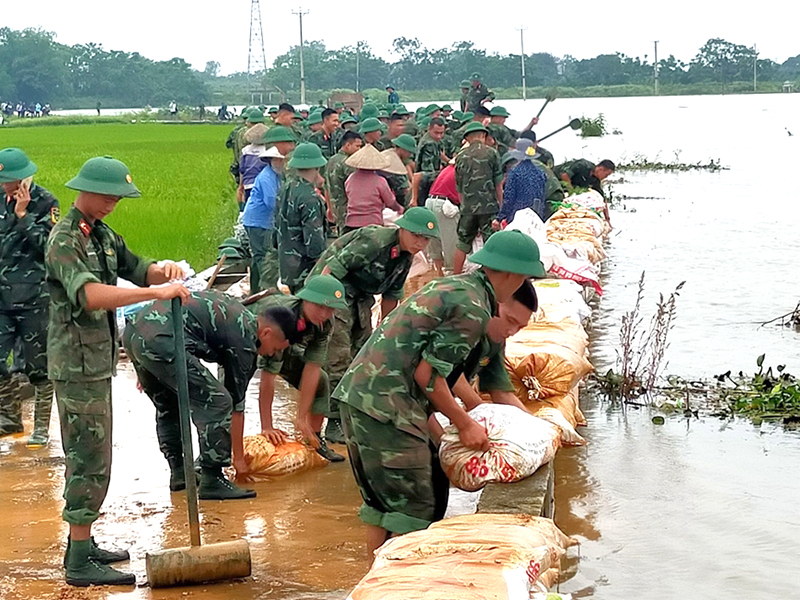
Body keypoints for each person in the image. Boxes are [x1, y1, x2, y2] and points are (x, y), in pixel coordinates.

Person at [333, 230, 545, 555]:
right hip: (388, 407)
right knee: (416, 508)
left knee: (383, 504)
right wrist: (465, 424)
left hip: (363, 398)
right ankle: (401, 587)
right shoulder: (474, 308)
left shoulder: (460, 289)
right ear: (513, 275)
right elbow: (428, 376)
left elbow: (431, 374)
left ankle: (376, 582)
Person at [46, 156, 191, 587]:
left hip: (95, 361)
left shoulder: (102, 234)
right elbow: (90, 295)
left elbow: (134, 264)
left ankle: (85, 543)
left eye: (118, 198)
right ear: (86, 190)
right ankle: (78, 560)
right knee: (88, 458)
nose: (113, 204)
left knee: (98, 454)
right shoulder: (64, 239)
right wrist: (153, 291)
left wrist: (160, 269)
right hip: (75, 363)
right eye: (108, 196)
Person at [123, 291, 295, 499]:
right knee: (218, 402)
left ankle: (179, 473)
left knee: (169, 405)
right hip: (163, 339)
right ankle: (212, 478)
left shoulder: (236, 313)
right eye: (275, 348)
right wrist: (238, 460)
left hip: (134, 332)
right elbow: (234, 406)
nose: (271, 354)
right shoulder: (245, 341)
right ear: (266, 333)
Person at [308, 207, 440, 443]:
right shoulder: (375, 241)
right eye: (416, 235)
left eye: (426, 239)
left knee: (364, 351)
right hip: (331, 291)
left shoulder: (405, 257)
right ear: (402, 229)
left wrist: (386, 332)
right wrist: (324, 306)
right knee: (339, 353)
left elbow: (391, 296)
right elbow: (331, 271)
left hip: (359, 295)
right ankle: (334, 420)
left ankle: (356, 411)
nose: (420, 243)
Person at [248, 275, 348, 462]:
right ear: (305, 299)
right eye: (320, 306)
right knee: (229, 397)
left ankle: (315, 441)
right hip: (244, 343)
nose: (324, 314)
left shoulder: (324, 324)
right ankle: (211, 459)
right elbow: (268, 375)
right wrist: (267, 427)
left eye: (330, 309)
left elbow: (313, 367)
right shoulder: (283, 317)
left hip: (280, 345)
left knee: (321, 380)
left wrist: (301, 418)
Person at [0, 149, 59, 446]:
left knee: (39, 367)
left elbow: (50, 247)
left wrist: (23, 215)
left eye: (8, 181)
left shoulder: (46, 202)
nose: (5, 186)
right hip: (2, 298)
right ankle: (10, 419)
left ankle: (40, 428)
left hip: (35, 297)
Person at [276, 143, 328, 293]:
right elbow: (314, 241)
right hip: (305, 268)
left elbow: (277, 225)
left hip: (287, 263)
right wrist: (321, 265)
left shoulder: (286, 188)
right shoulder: (310, 198)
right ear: (317, 167)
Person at [453, 122, 503, 274]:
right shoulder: (492, 153)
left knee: (462, 244)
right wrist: (501, 207)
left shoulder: (460, 157)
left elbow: (459, 189)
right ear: (483, 136)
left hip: (468, 207)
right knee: (491, 244)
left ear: (467, 138)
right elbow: (498, 185)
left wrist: (464, 206)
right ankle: (492, 275)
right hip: (488, 207)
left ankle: (455, 276)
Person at [242, 146, 285, 294]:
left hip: (261, 221)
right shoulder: (267, 177)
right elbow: (271, 201)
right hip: (258, 222)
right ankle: (266, 290)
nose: (282, 163)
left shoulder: (277, 176)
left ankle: (255, 289)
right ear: (272, 161)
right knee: (264, 257)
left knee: (258, 256)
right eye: (278, 160)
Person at [343, 145, 403, 232]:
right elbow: (390, 202)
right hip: (372, 225)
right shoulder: (379, 181)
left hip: (351, 224)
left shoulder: (350, 178)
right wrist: (399, 208)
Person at [495, 144, 548, 225]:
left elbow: (509, 200)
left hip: (518, 218)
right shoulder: (541, 173)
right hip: (537, 217)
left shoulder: (514, 173)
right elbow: (542, 197)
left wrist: (499, 218)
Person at [425, 159, 461, 275]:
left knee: (435, 241)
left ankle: (439, 273)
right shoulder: (462, 171)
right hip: (445, 206)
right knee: (450, 242)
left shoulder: (447, 170)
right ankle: (451, 275)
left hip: (430, 202)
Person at [324, 130, 362, 233]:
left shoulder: (331, 160)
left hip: (335, 207)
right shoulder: (348, 163)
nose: (359, 150)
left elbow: (326, 186)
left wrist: (329, 207)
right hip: (348, 209)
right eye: (357, 146)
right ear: (348, 145)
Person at [413, 117, 447, 205]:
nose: (439, 136)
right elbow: (428, 172)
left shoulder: (429, 138)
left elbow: (439, 154)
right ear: (429, 128)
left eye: (441, 133)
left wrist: (448, 160)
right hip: (424, 186)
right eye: (436, 133)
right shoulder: (430, 144)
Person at [236, 122, 269, 210]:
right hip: (263, 184)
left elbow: (242, 169)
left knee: (249, 206)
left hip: (248, 183)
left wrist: (241, 185)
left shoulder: (245, 150)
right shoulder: (267, 150)